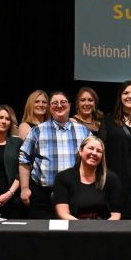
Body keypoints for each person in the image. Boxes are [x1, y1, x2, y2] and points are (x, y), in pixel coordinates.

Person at [19, 91, 91, 219]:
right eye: (54, 103)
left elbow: (93, 160)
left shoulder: (83, 131)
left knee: (73, 236)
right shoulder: (37, 130)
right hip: (43, 196)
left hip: (75, 195)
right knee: (41, 236)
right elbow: (24, 159)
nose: (59, 105)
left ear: (69, 105)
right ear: (50, 107)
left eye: (63, 102)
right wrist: (24, 188)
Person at [99, 81, 131, 219]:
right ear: (120, 96)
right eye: (126, 93)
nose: (130, 96)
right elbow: (101, 148)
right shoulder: (108, 119)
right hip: (114, 176)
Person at [53, 136, 123, 220]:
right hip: (74, 228)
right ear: (80, 151)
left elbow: (116, 214)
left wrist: (103, 230)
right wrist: (83, 229)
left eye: (99, 151)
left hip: (103, 228)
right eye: (91, 148)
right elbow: (63, 213)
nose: (94, 153)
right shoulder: (63, 177)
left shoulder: (111, 178)